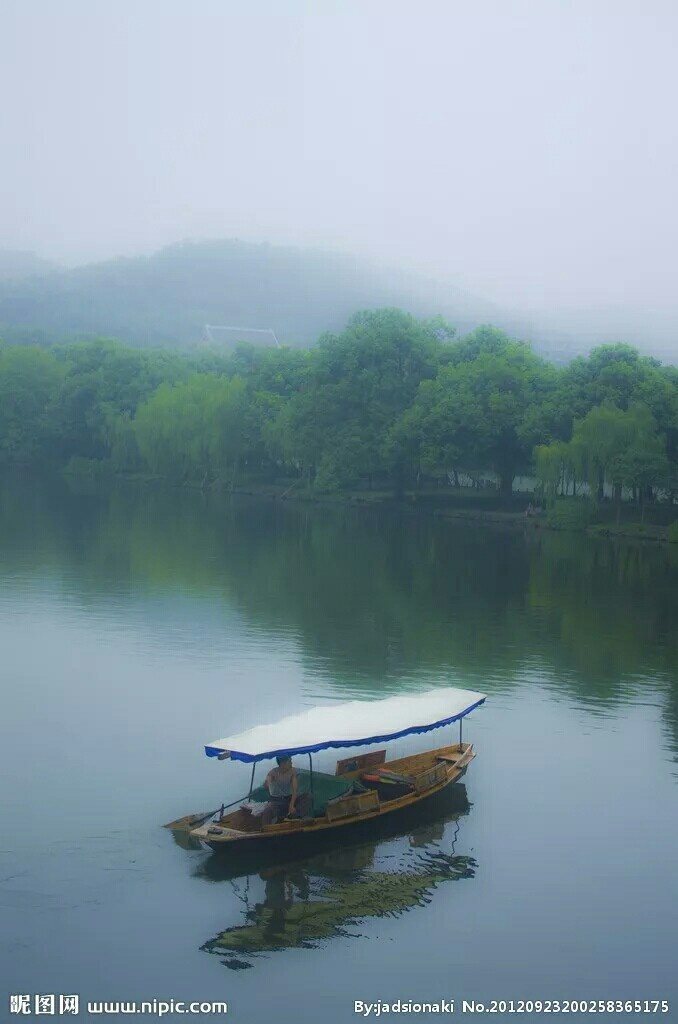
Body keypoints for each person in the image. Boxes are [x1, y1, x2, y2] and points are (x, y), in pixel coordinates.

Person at [258, 755, 312, 825]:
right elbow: (267, 783)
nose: (291, 763)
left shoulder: (292, 771)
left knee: (307, 797)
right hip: (276, 800)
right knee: (268, 810)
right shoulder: (273, 772)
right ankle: (265, 829)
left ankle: (294, 818)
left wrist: (291, 805)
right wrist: (268, 782)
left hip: (289, 798)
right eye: (289, 761)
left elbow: (294, 790)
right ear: (282, 763)